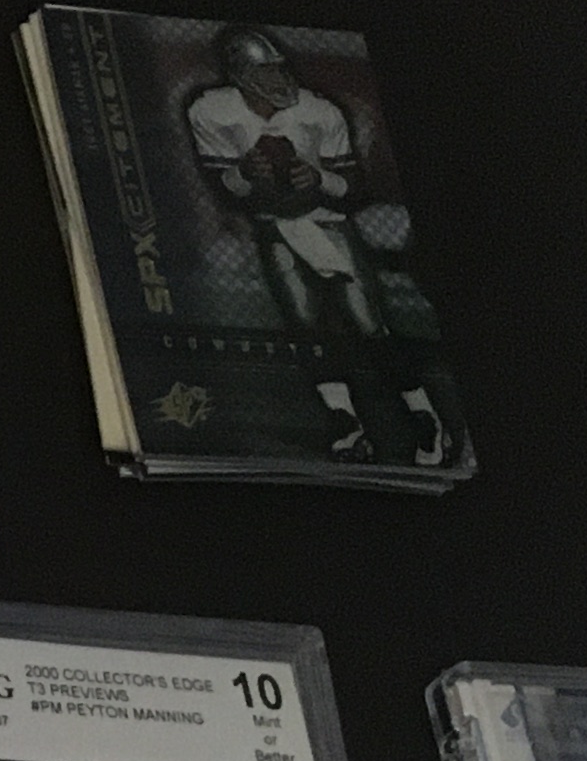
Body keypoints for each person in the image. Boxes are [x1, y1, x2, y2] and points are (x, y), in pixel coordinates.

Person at [182, 24, 453, 471]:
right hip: (273, 226)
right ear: (240, 76)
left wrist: (319, 179)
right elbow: (224, 188)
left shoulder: (318, 112)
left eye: (279, 69)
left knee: (368, 324)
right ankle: (345, 421)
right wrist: (245, 173)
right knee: (306, 325)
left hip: (326, 222)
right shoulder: (211, 110)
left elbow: (353, 188)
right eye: (265, 72)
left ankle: (425, 416)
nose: (278, 80)